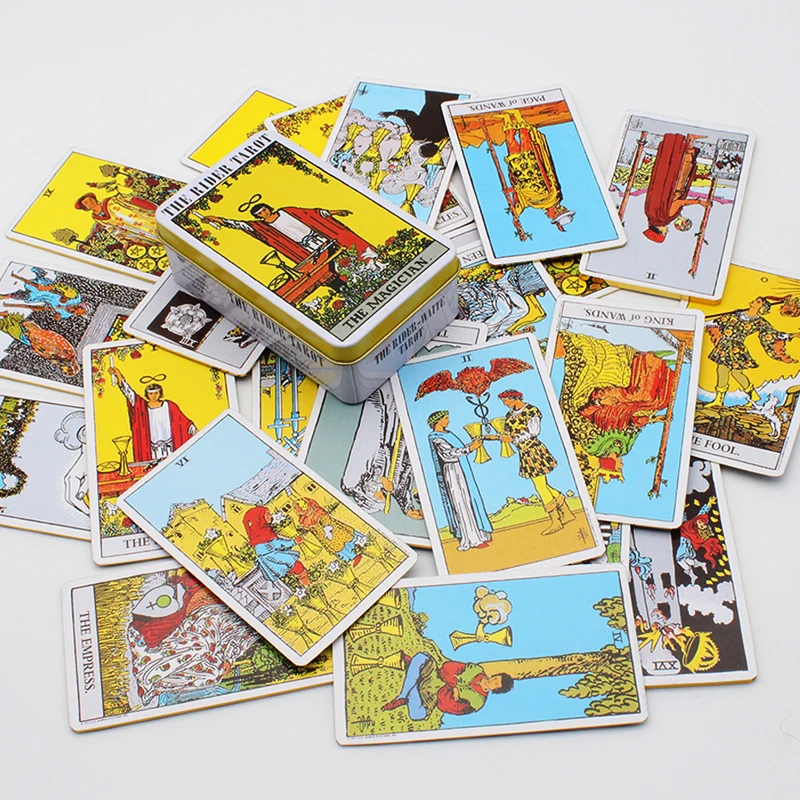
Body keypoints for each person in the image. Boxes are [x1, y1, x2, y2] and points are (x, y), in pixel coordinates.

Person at [487, 389, 572, 535]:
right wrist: (498, 437)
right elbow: (509, 434)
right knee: (543, 485)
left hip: (534, 451)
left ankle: (556, 521)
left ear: (514, 398)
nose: (505, 404)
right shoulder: (509, 415)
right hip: (524, 453)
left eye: (506, 400)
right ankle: (567, 512)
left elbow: (533, 432)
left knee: (540, 487)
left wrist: (513, 439)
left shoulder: (531, 411)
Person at [201, 202, 376, 266]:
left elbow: (313, 213)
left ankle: (369, 262)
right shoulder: (261, 227)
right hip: (307, 247)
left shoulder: (287, 211)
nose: (264, 213)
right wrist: (216, 219)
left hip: (320, 237)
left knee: (346, 252)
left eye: (264, 210)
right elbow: (238, 224)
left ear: (268, 207)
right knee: (333, 263)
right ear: (258, 216)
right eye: (260, 213)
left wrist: (335, 211)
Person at [704, 296, 798, 406]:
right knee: (735, 372)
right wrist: (701, 320)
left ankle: (719, 400)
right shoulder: (737, 314)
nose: (754, 301)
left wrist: (790, 336)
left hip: (736, 348)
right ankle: (753, 395)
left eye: (758, 302)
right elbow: (718, 322)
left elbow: (773, 334)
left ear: (762, 307)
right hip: (724, 345)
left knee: (724, 370)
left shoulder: (759, 322)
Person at [427, 410, 493, 551]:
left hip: (461, 468)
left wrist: (471, 445)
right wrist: (470, 448)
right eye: (446, 418)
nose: (448, 421)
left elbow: (458, 449)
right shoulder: (436, 438)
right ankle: (471, 539)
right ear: (438, 421)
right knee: (460, 503)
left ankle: (481, 534)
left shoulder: (448, 434)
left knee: (470, 500)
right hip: (451, 471)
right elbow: (448, 454)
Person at [381, 651, 514, 719]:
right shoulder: (476, 669)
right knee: (422, 656)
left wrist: (448, 691)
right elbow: (448, 667)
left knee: (417, 715)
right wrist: (453, 686)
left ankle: (412, 671)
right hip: (432, 675)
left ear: (497, 689)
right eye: (496, 678)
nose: (493, 681)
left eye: (496, 684)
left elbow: (449, 707)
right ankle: (403, 695)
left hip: (432, 697)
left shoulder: (478, 702)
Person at [500, 108, 574, 231]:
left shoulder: (536, 204)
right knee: (524, 138)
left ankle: (506, 119)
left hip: (518, 170)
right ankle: (517, 115)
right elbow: (535, 186)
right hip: (533, 163)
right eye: (553, 217)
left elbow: (523, 200)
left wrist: (516, 216)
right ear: (557, 212)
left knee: (511, 143)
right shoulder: (554, 195)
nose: (548, 216)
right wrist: (513, 190)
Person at [108, 365, 196, 462]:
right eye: (151, 393)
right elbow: (129, 393)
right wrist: (119, 376)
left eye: (156, 393)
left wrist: (196, 431)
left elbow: (183, 422)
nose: (154, 396)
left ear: (160, 393)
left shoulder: (169, 406)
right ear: (147, 394)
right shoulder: (142, 408)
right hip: (152, 451)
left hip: (170, 448)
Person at [642, 133, 711, 243]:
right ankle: (689, 141)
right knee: (683, 163)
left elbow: (678, 203)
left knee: (686, 163)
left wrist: (699, 202)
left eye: (665, 233)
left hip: (676, 185)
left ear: (660, 231)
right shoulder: (649, 213)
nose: (667, 231)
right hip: (665, 182)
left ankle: (690, 140)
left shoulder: (664, 218)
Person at [243, 504, 309, 587]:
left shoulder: (257, 532)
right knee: (298, 566)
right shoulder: (262, 532)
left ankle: (304, 584)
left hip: (271, 559)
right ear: (260, 517)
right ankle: (307, 584)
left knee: (293, 569)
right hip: (274, 557)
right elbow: (276, 544)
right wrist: (293, 542)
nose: (270, 516)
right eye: (268, 514)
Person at [74, 190, 160, 245]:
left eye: (90, 199)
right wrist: (124, 242)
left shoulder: (111, 201)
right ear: (86, 208)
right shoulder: (97, 218)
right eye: (87, 203)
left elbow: (130, 200)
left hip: (143, 218)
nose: (90, 202)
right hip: (135, 230)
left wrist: (150, 207)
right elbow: (112, 230)